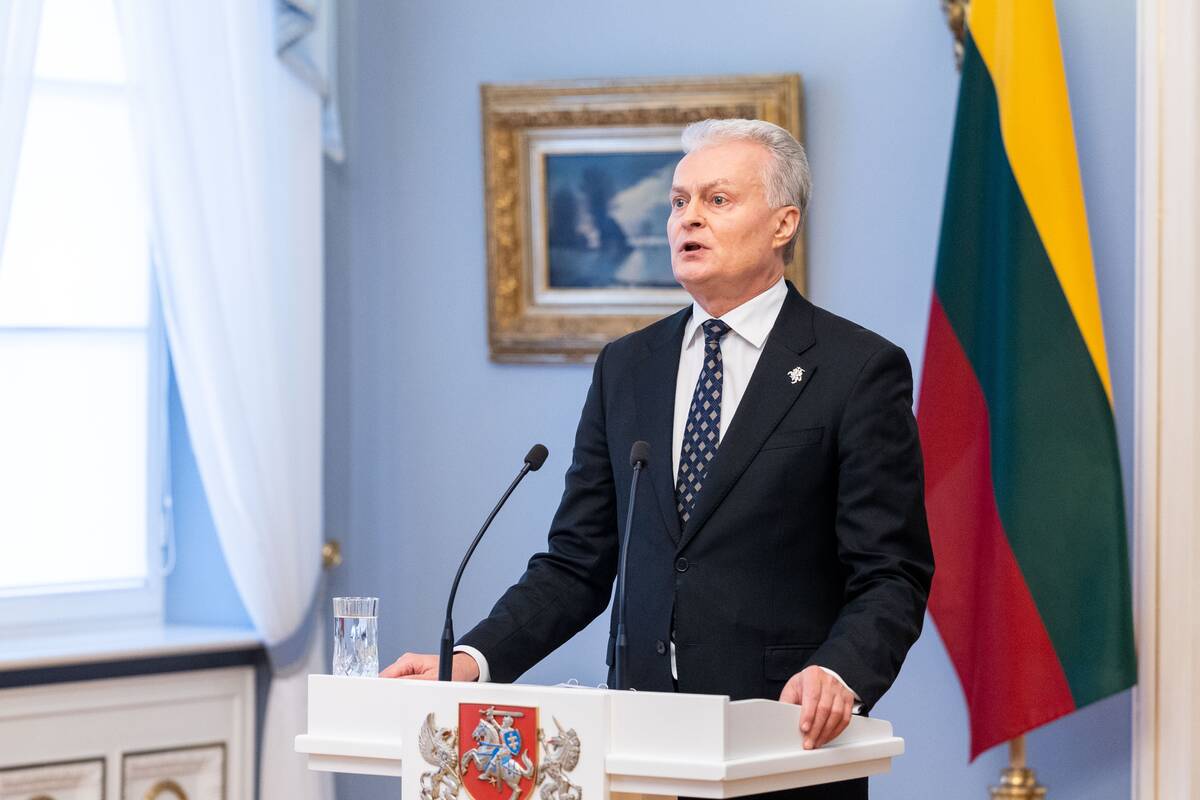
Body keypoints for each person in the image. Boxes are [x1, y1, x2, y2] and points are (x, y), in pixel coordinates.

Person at [383, 119, 934, 800]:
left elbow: (891, 571)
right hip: (636, 749)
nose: (687, 219)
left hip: (781, 742)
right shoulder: (627, 366)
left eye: (717, 200)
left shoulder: (857, 369)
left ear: (783, 223)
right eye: (678, 201)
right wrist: (472, 659)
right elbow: (577, 562)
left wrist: (841, 671)